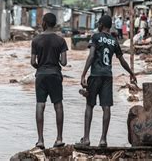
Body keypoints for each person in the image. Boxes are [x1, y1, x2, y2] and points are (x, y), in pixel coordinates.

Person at [77, 15, 137, 147]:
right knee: (106, 107)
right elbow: (121, 60)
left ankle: (86, 138)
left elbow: (92, 55)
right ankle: (103, 139)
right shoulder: (114, 40)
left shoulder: (96, 37)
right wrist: (131, 73)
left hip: (95, 75)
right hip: (107, 76)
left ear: (101, 24)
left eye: (99, 23)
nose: (98, 24)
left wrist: (83, 74)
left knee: (89, 105)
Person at [31, 13, 68, 149]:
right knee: (58, 105)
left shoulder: (36, 40)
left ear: (44, 23)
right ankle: (59, 138)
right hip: (55, 75)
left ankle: (40, 140)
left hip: (41, 75)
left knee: (40, 105)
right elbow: (64, 62)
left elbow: (32, 62)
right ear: (55, 24)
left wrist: (40, 66)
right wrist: (55, 60)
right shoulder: (61, 41)